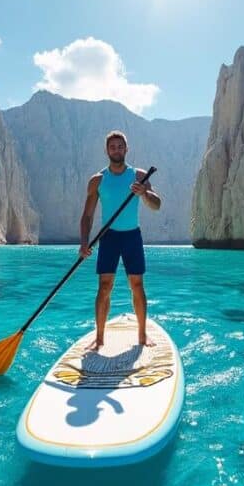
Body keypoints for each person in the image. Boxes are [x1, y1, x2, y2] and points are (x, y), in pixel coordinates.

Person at [78, 130, 161, 349]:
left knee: (137, 285)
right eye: (112, 147)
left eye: (120, 146)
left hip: (132, 236)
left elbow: (156, 205)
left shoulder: (139, 176)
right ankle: (99, 338)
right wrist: (84, 242)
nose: (116, 150)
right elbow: (87, 216)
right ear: (107, 151)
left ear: (127, 149)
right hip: (109, 238)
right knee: (104, 286)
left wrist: (144, 192)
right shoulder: (97, 180)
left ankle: (142, 336)